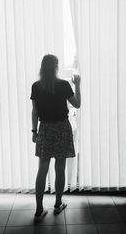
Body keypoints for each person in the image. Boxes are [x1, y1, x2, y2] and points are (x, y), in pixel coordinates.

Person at [30, 54, 81, 222]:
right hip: (61, 128)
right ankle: (58, 204)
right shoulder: (64, 85)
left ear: (42, 67)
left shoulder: (36, 86)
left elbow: (35, 112)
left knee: (42, 169)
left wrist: (34, 131)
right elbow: (77, 104)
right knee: (60, 168)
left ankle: (39, 210)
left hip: (44, 129)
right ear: (56, 67)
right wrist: (78, 85)